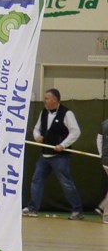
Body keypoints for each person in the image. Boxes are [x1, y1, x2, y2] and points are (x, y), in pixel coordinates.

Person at [23, 88, 83, 220]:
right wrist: (37, 136)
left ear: (55, 100)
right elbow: (37, 128)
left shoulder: (67, 113)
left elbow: (76, 131)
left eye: (47, 98)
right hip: (45, 155)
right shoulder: (44, 112)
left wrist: (63, 145)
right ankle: (33, 209)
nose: (44, 101)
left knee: (66, 184)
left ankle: (77, 210)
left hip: (60, 157)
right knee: (36, 180)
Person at [97, 118, 108, 224]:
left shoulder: (104, 123)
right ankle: (106, 215)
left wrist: (102, 155)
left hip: (105, 160)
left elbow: (99, 140)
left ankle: (102, 207)